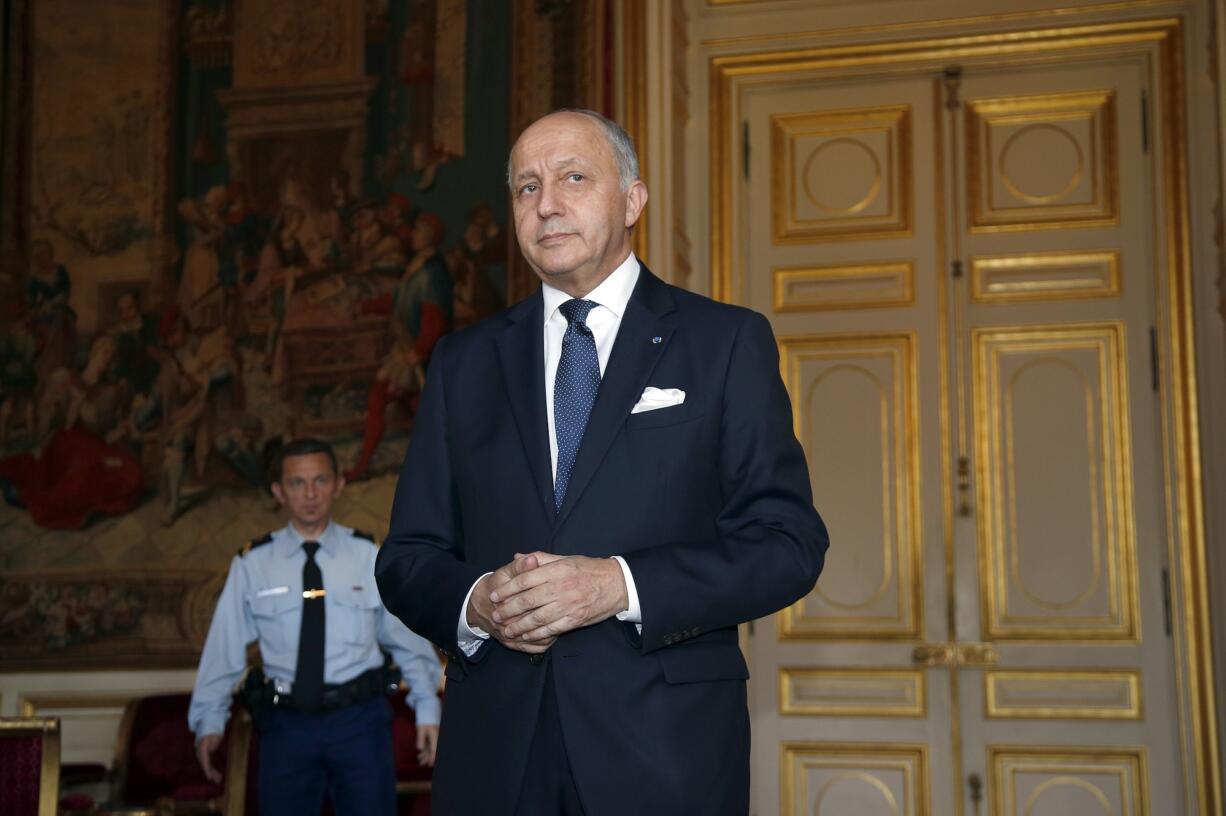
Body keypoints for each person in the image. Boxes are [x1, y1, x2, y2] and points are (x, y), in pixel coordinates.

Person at [374, 109, 829, 814]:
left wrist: (620, 585)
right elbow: (407, 558)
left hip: (663, 754)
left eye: (573, 178)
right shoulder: (464, 363)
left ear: (633, 200)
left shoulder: (724, 343)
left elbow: (788, 544)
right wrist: (478, 603)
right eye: (526, 187)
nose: (546, 203)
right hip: (495, 757)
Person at [188, 438, 441, 816]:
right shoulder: (252, 564)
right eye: (297, 483)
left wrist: (427, 708)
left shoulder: (369, 555)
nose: (310, 494)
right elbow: (224, 649)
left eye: (320, 480)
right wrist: (209, 720)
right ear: (278, 491)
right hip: (286, 728)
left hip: (360, 724)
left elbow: (406, 640)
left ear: (338, 485)